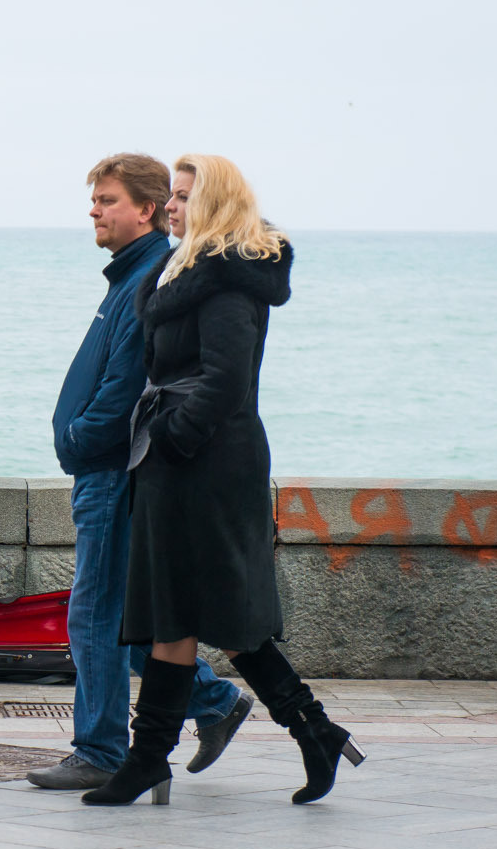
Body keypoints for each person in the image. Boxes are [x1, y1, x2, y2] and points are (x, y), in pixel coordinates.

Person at [83, 154, 365, 807]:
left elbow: (226, 380)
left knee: (216, 617)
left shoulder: (228, 280)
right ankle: (160, 756)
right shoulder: (182, 272)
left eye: (182, 197)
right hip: (176, 462)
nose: (170, 207)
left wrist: (173, 438)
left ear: (211, 204)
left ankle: (172, 753)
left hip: (209, 465)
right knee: (179, 617)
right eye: (172, 196)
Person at [30, 155, 251, 795]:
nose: (94, 211)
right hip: (109, 468)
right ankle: (212, 702)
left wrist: (77, 440)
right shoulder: (132, 276)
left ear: (146, 209)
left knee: (94, 614)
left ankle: (100, 750)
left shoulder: (146, 278)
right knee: (126, 621)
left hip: (112, 470)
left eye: (107, 200)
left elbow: (128, 388)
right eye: (95, 200)